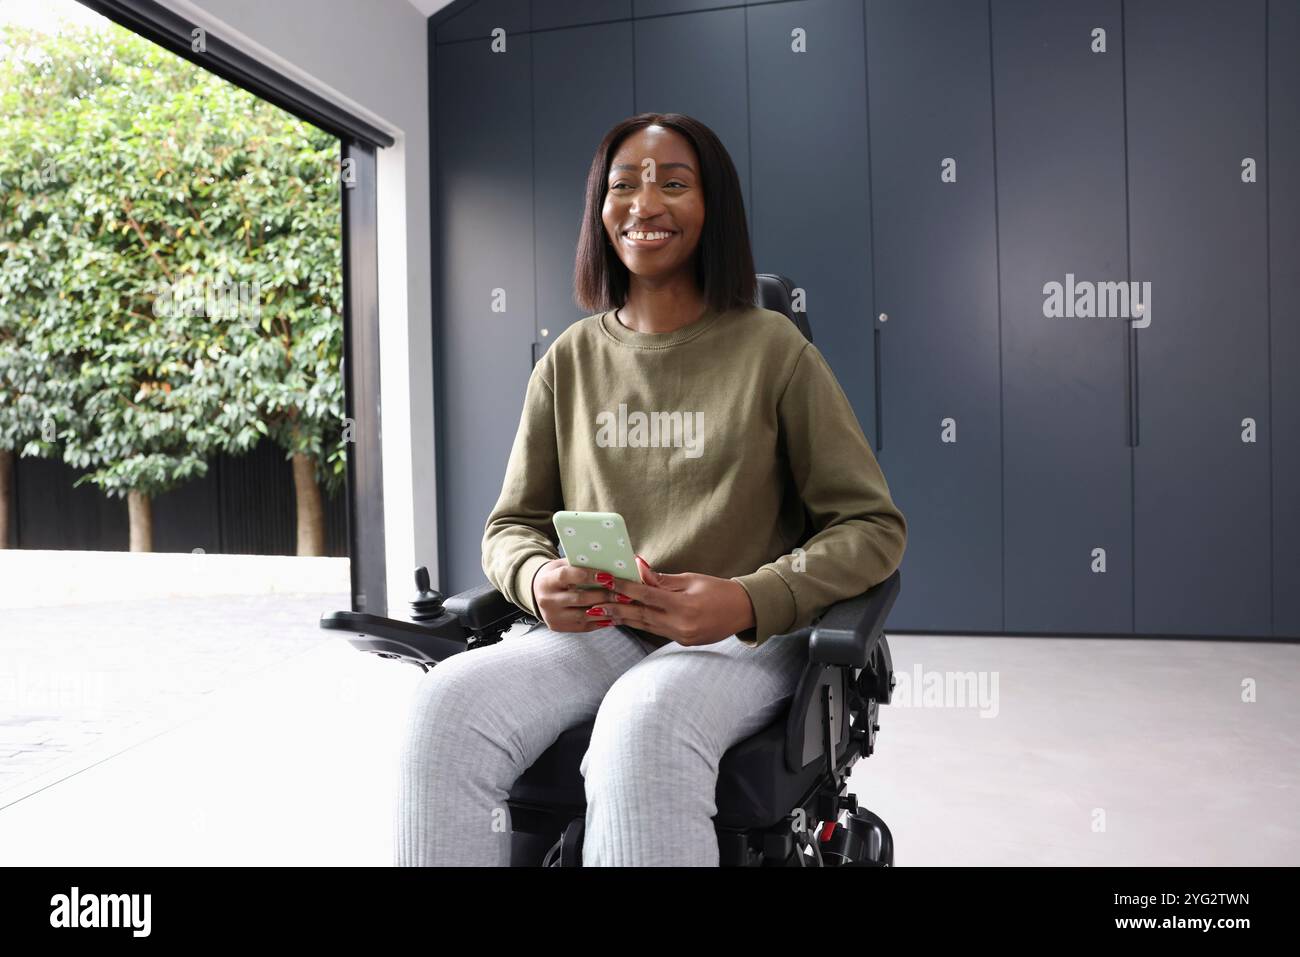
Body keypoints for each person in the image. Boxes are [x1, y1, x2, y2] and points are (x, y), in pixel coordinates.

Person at [396, 112, 907, 866]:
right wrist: (536, 579)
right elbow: (511, 525)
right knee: (443, 707)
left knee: (645, 722)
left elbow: (871, 525)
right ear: (600, 211)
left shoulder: (775, 351)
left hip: (743, 636)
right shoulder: (569, 361)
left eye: (674, 183)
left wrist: (747, 598)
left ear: (714, 208)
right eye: (623, 185)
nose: (644, 203)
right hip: (604, 627)